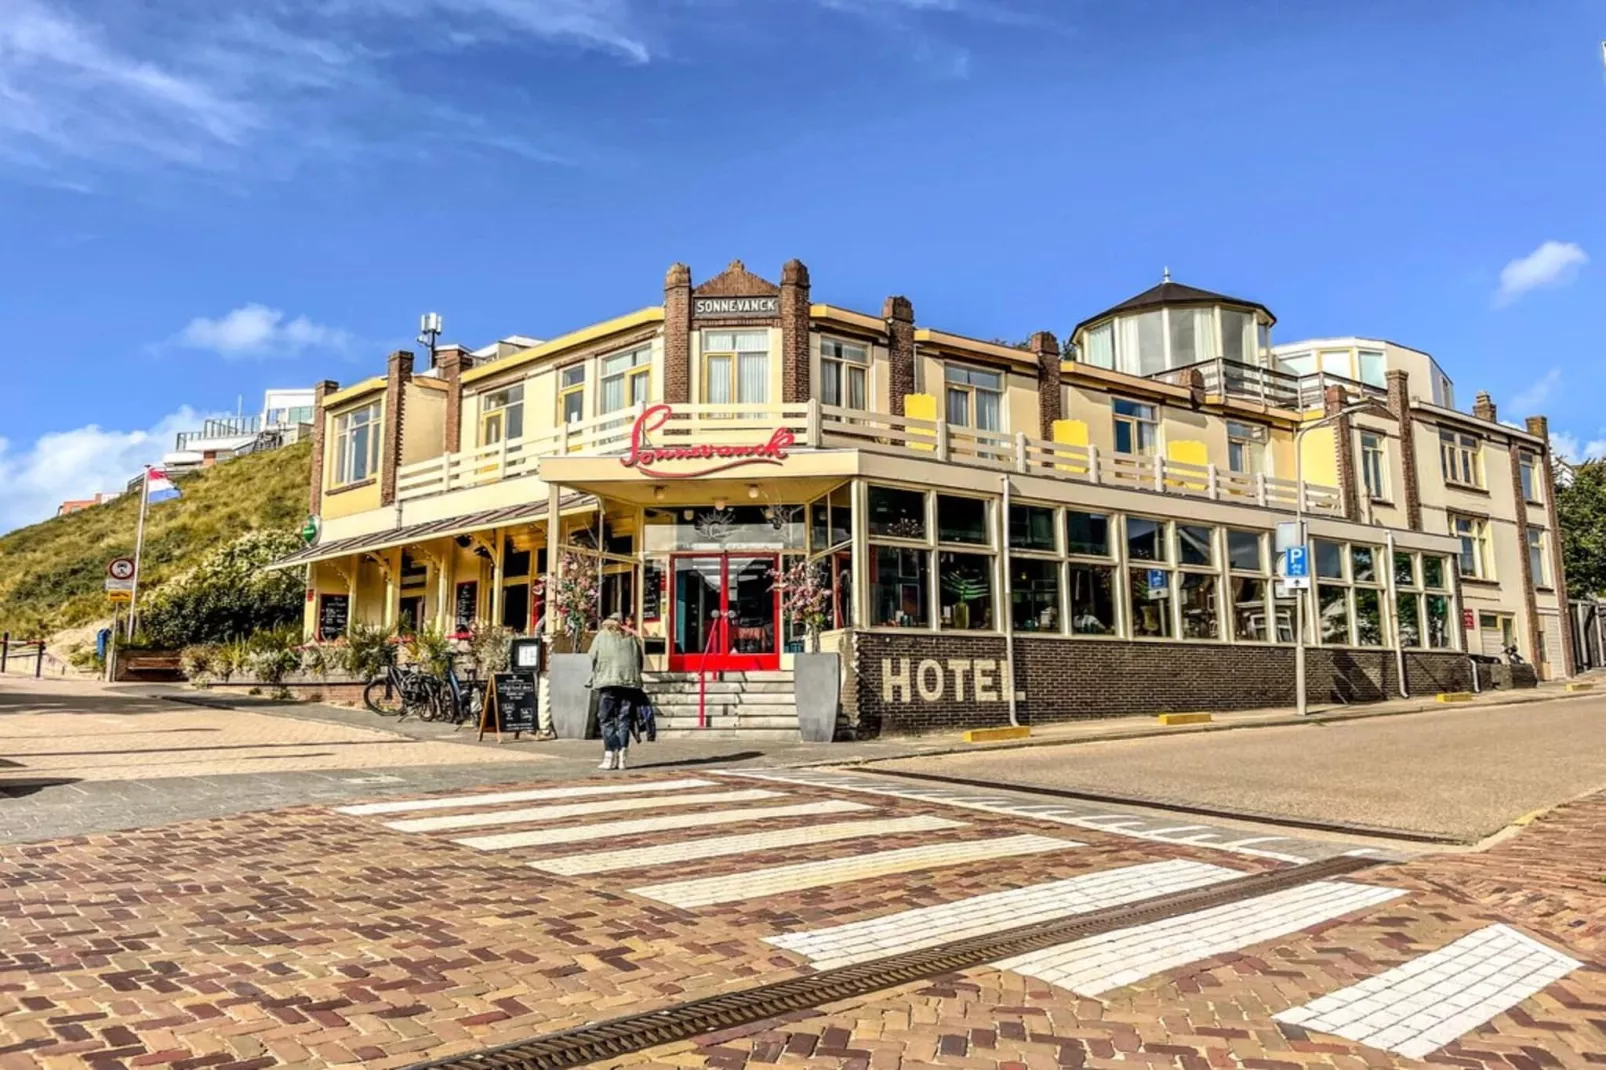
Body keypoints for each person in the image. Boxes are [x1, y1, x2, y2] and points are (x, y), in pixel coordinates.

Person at [587, 612, 643, 770]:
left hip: (608, 682)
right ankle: (623, 757)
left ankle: (611, 753)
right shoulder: (632, 638)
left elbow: (592, 656)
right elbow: (640, 661)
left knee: (606, 719)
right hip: (630, 683)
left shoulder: (602, 636)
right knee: (624, 719)